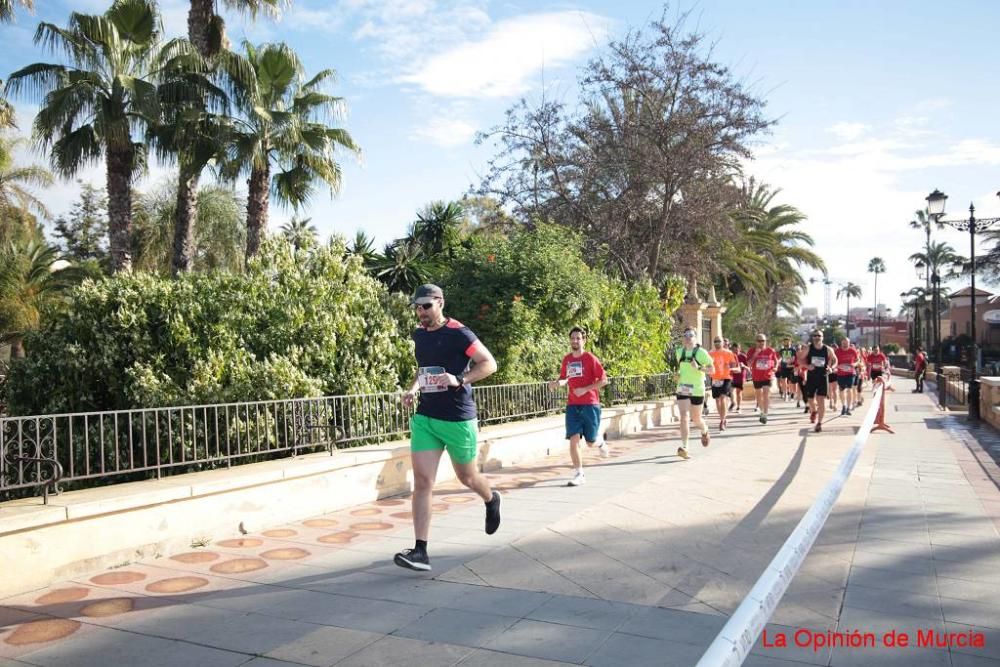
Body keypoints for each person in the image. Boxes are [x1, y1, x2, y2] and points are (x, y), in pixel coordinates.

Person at [395, 284, 502, 572]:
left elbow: (489, 363)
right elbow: (424, 369)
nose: (421, 312)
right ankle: (420, 550)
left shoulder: (459, 333)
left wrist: (459, 379)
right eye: (417, 307)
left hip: (457, 419)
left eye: (426, 306)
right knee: (423, 482)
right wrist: (412, 389)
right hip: (426, 418)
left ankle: (491, 499)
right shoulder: (419, 335)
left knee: (467, 477)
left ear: (440, 303)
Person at [549, 327, 609, 486]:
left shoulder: (590, 358)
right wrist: (556, 383)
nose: (575, 341)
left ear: (584, 340)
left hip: (590, 404)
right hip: (572, 406)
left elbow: (603, 380)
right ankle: (579, 473)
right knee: (573, 439)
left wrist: (585, 389)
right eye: (573, 338)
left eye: (578, 338)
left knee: (590, 442)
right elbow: (564, 378)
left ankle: (600, 443)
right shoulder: (567, 359)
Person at [674, 327, 715, 459]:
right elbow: (681, 369)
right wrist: (678, 375)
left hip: (697, 389)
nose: (688, 337)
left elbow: (712, 370)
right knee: (684, 416)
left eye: (691, 335)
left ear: (695, 337)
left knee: (696, 419)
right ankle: (685, 447)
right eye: (685, 335)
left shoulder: (701, 353)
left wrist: (699, 367)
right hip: (682, 388)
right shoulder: (679, 352)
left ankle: (704, 430)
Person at [799, 330, 837, 432]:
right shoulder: (808, 348)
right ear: (812, 337)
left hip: (823, 377)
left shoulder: (827, 349)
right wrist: (807, 366)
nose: (817, 337)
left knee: (821, 401)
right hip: (811, 377)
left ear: (822, 337)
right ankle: (814, 411)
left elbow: (835, 360)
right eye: (815, 336)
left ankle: (819, 423)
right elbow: (799, 359)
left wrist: (831, 368)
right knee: (810, 399)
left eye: (819, 336)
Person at [746, 334, 779, 424]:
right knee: (758, 396)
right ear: (755, 342)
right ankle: (761, 411)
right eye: (759, 341)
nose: (761, 343)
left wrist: (775, 368)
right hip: (756, 376)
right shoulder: (751, 351)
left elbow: (776, 362)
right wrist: (756, 354)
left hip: (767, 376)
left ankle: (765, 414)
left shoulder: (770, 350)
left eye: (763, 341)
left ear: (765, 341)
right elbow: (748, 364)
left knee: (765, 394)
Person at [708, 337, 738, 431]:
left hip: (726, 378)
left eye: (719, 341)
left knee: (723, 397)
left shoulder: (728, 353)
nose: (717, 343)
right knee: (717, 400)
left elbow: (734, 366)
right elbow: (707, 365)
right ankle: (722, 418)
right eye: (715, 341)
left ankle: (722, 420)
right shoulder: (710, 353)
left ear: (722, 343)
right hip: (715, 378)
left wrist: (730, 368)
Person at [833, 338, 860, 416]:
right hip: (840, 373)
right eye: (843, 343)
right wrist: (836, 366)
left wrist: (854, 365)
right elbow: (833, 360)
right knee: (841, 390)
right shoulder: (837, 351)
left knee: (849, 389)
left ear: (849, 343)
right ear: (841, 344)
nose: (845, 345)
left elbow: (858, 360)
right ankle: (843, 406)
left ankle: (848, 408)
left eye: (846, 343)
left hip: (850, 373)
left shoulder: (852, 351)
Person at [730, 342, 749, 413]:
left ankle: (738, 407)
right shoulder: (730, 356)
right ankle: (733, 403)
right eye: (734, 349)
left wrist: (744, 366)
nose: (736, 351)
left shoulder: (743, 356)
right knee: (731, 391)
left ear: (740, 349)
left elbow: (749, 368)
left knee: (738, 392)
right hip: (731, 377)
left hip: (740, 377)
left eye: (737, 349)